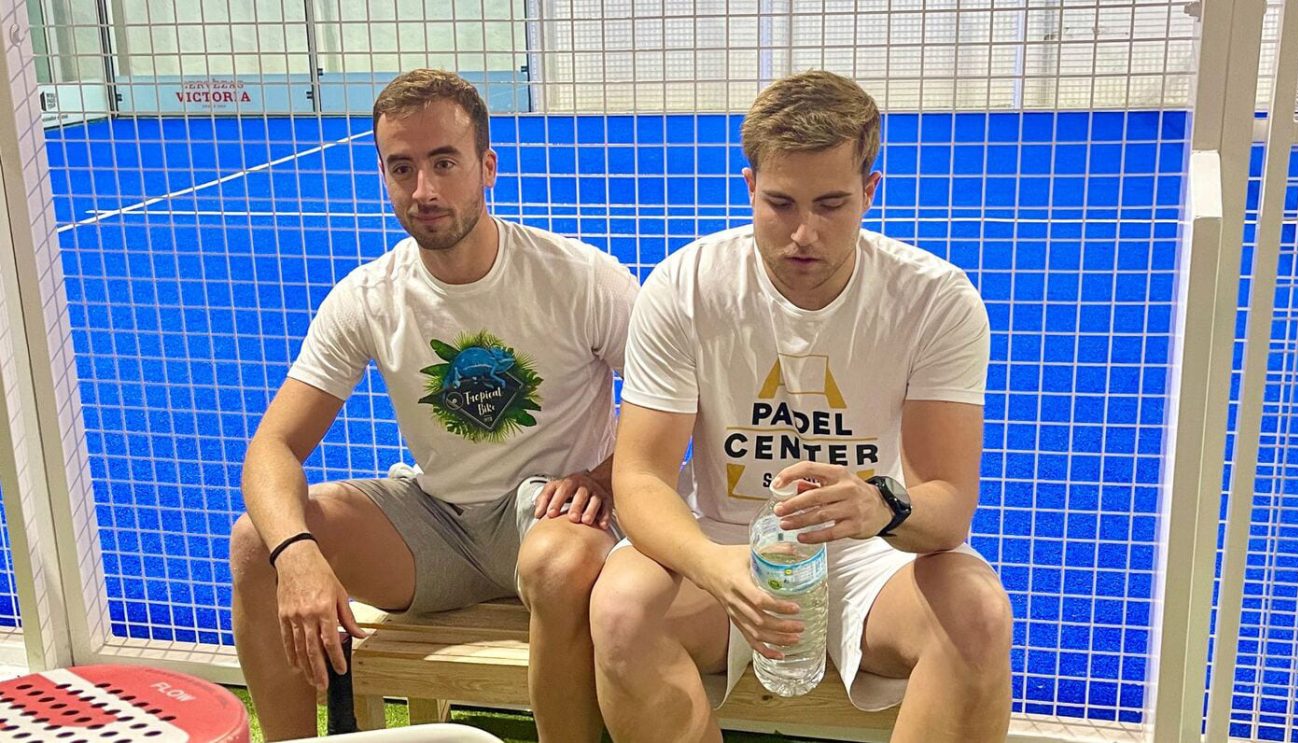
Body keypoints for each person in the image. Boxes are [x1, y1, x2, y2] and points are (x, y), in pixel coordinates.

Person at [588, 70, 1013, 742]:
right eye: (781, 203)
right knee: (619, 605)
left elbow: (949, 505)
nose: (804, 233)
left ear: (871, 191)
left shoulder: (936, 299)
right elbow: (639, 478)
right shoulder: (685, 286)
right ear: (749, 185)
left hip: (867, 557)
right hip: (726, 541)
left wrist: (883, 502)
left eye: (832, 204)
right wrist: (712, 563)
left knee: (978, 611)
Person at [229, 68, 638, 741]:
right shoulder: (369, 296)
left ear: (487, 167)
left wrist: (601, 476)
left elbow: (677, 407)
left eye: (444, 162)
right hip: (437, 527)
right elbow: (273, 446)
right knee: (257, 543)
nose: (424, 189)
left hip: (550, 517)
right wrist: (297, 550)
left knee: (558, 563)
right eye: (402, 167)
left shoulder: (579, 277)